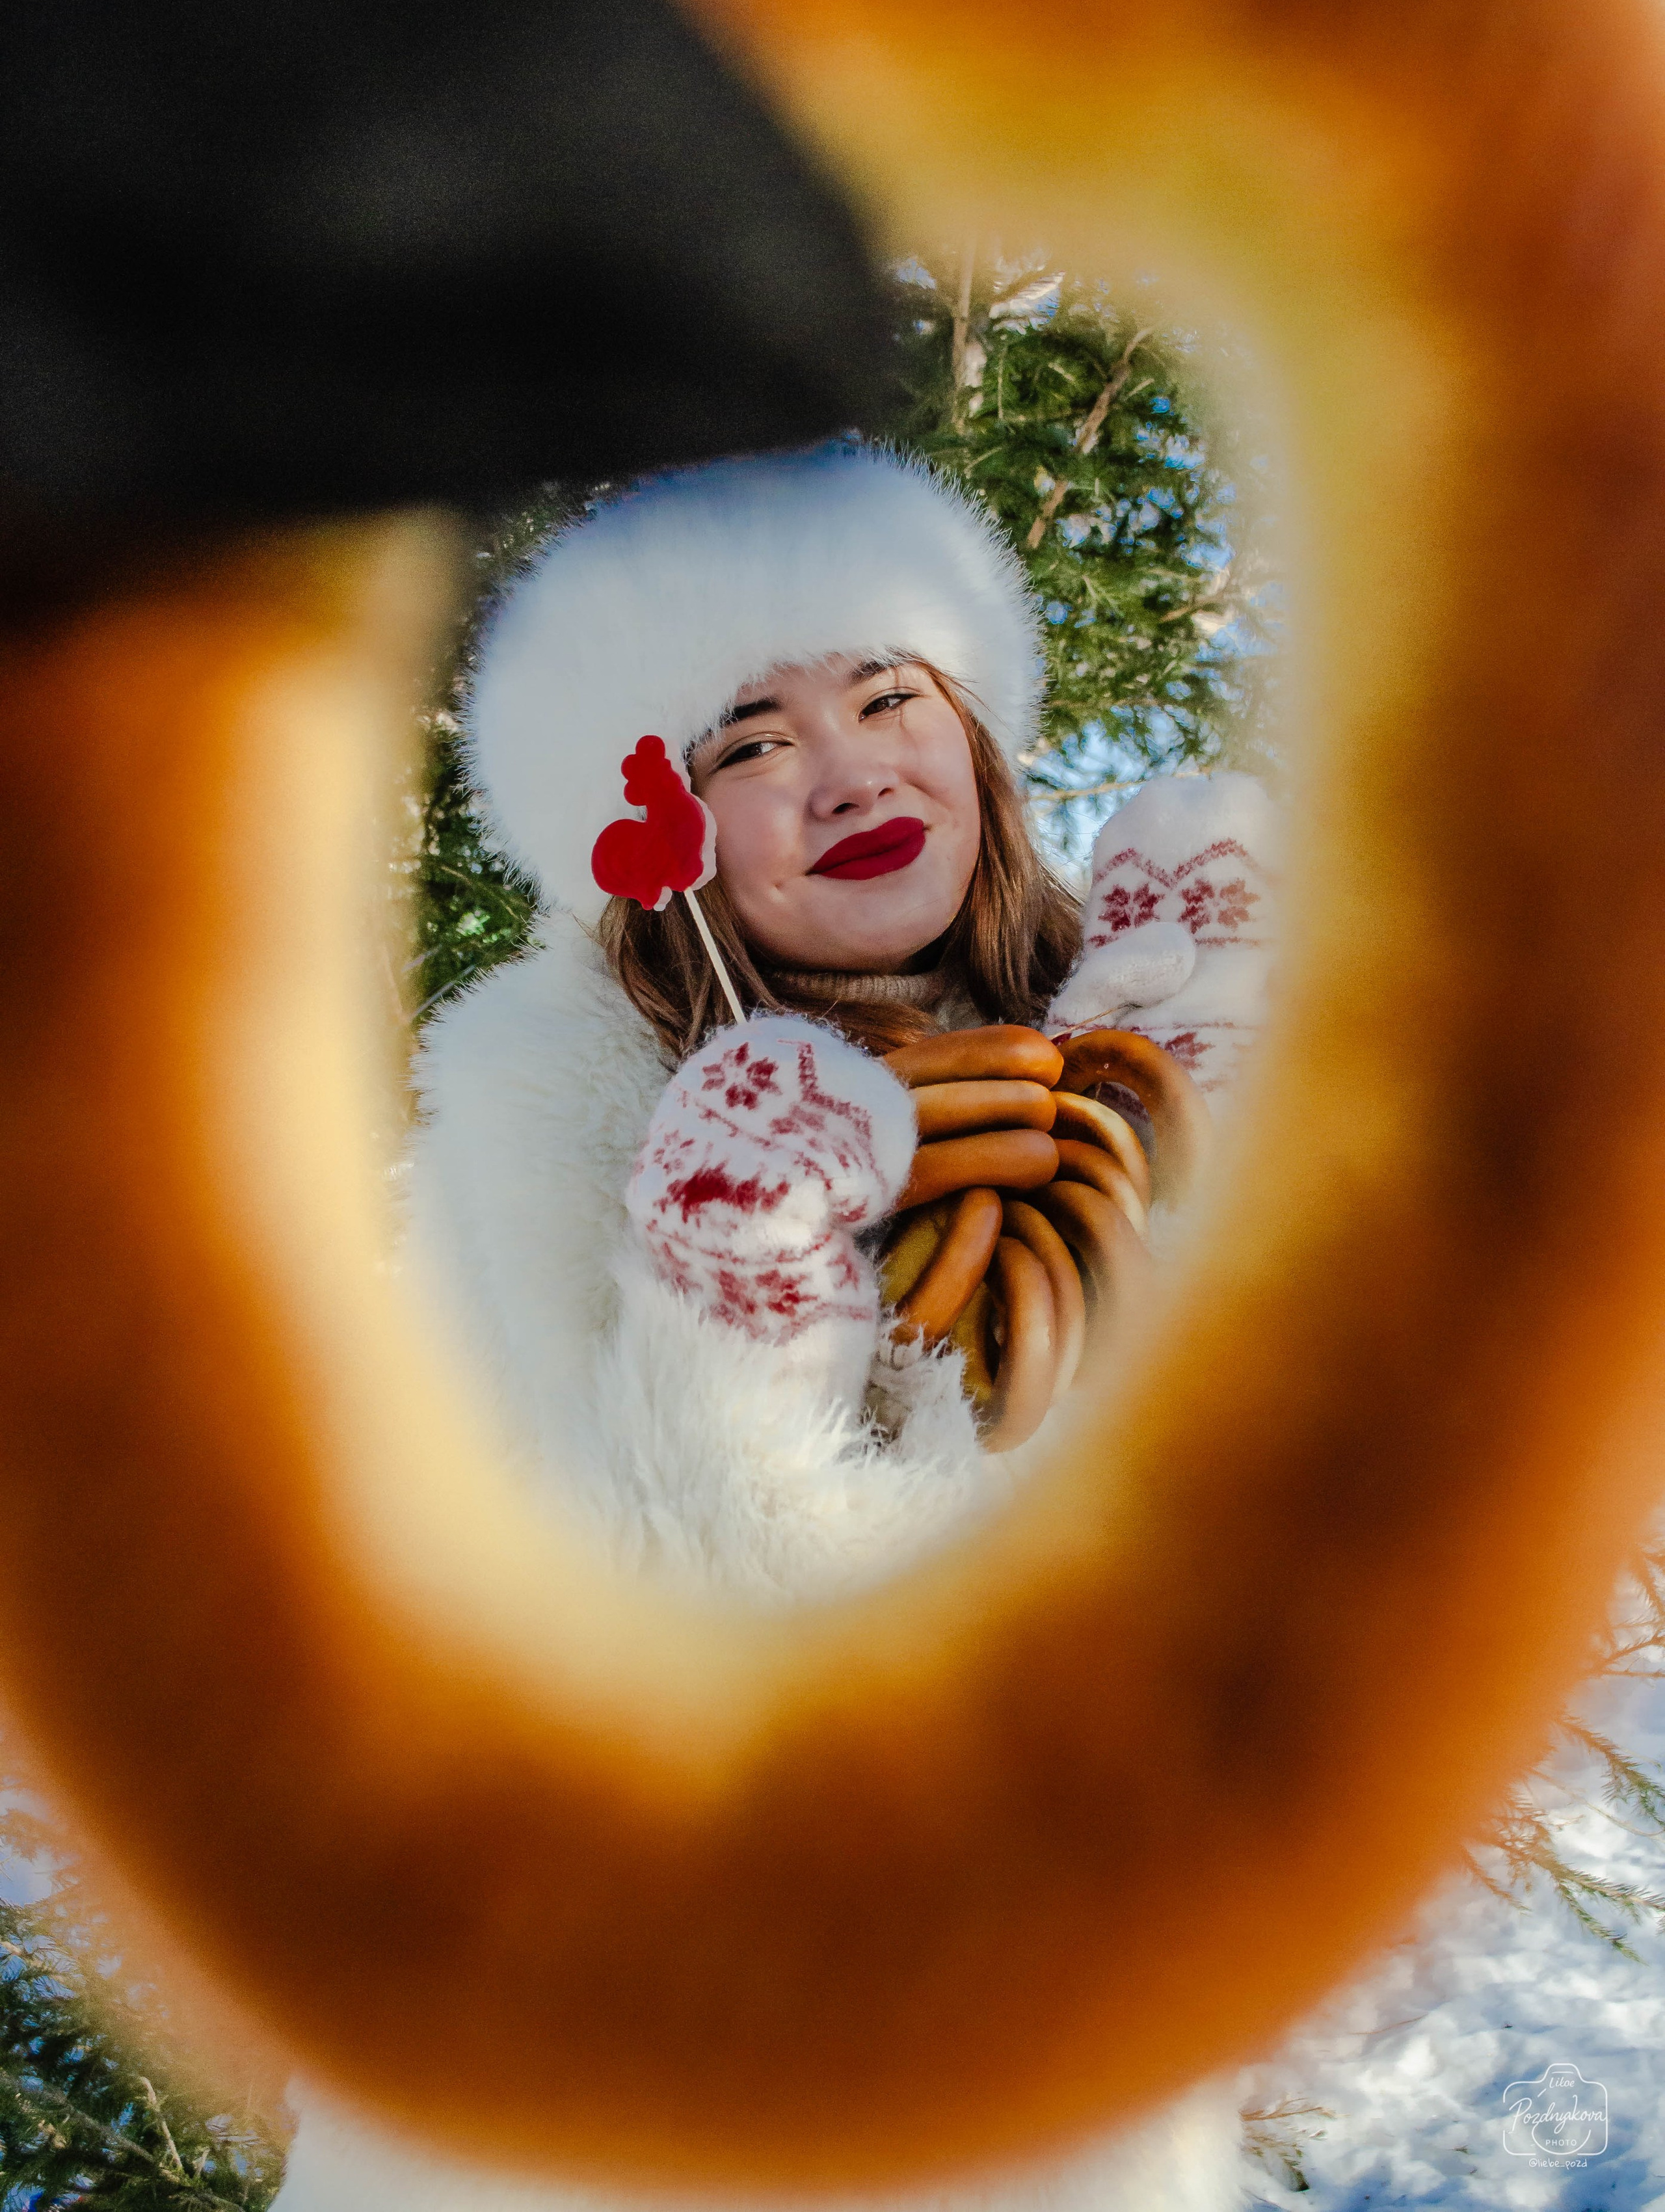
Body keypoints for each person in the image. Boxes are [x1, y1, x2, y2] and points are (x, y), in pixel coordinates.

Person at [273, 442, 1272, 2212]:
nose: (848, 768)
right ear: (654, 827)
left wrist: (1266, 1168)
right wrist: (723, 1338)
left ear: (972, 733)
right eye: (748, 743)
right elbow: (660, 1695)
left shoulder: (1122, 1033)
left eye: (890, 696)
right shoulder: (541, 1135)